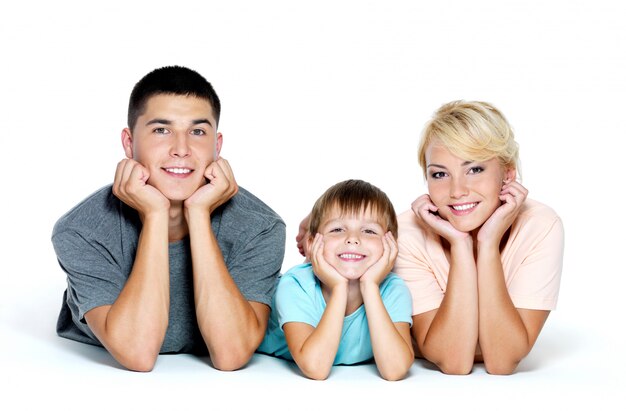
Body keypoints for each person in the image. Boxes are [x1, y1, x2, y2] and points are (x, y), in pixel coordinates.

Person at [52, 66, 286, 372]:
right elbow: (137, 353)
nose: (181, 149)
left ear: (217, 146)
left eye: (198, 132)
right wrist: (155, 214)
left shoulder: (261, 227)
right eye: (161, 130)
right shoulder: (81, 230)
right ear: (128, 143)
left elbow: (232, 355)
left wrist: (199, 214)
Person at [393, 100, 564, 375]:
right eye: (439, 174)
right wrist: (461, 244)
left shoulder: (540, 226)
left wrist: (487, 244)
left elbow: (502, 360)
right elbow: (453, 360)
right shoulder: (408, 232)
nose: (457, 190)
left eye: (474, 169)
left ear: (508, 174)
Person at [259, 179, 414, 381]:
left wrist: (370, 286)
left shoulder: (394, 289)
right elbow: (315, 367)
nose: (353, 238)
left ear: (391, 245)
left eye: (369, 231)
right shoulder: (295, 284)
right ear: (314, 242)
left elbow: (395, 370)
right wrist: (339, 288)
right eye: (337, 229)